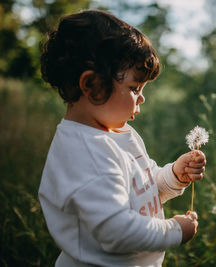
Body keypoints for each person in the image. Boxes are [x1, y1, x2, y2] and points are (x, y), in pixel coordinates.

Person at [38, 9, 206, 267]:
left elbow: (143, 189)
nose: (142, 98)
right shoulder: (84, 153)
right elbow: (116, 231)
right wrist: (173, 230)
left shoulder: (120, 134)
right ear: (92, 86)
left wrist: (173, 174)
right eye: (134, 88)